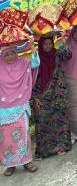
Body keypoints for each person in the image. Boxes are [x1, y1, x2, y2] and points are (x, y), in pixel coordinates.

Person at [0, 45, 40, 176]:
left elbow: (34, 64)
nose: (10, 56)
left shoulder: (22, 63)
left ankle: (27, 161)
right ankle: (10, 165)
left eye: (12, 53)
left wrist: (33, 50)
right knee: (4, 138)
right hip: (2, 107)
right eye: (7, 54)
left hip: (20, 105)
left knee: (23, 132)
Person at [32, 36, 72, 159]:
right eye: (45, 44)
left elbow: (68, 55)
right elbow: (31, 77)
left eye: (50, 43)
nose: (48, 47)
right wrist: (34, 96)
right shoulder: (36, 58)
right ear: (40, 45)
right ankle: (44, 151)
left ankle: (61, 146)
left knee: (60, 119)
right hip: (42, 94)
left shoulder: (57, 54)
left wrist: (64, 43)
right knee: (42, 121)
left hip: (58, 93)